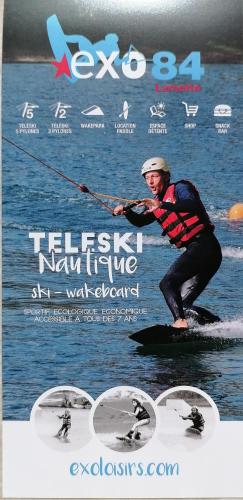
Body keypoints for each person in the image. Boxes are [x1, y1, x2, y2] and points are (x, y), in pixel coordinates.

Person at [113, 157, 222, 329]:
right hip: (202, 252)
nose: (150, 181)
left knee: (167, 283)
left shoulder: (180, 188)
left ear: (165, 176)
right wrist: (126, 212)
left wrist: (162, 204)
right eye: (146, 178)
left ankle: (179, 323)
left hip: (205, 246)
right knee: (183, 306)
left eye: (154, 176)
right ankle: (221, 326)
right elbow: (140, 221)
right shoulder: (154, 203)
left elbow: (191, 204)